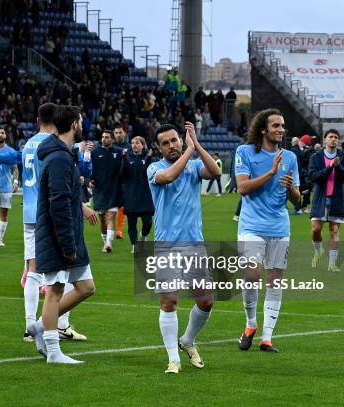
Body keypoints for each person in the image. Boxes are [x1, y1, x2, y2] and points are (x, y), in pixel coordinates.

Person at [0, 103, 89, 342]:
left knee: (33, 270)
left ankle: (31, 323)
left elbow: (17, 157)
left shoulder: (29, 143)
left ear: (38, 118)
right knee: (67, 269)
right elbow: (56, 185)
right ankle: (55, 325)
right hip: (49, 213)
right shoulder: (54, 145)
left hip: (29, 213)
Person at [147, 122, 220, 374]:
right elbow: (168, 177)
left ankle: (187, 341)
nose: (171, 145)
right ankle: (172, 358)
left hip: (194, 245)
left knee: (207, 300)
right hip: (167, 246)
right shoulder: (154, 168)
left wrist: (196, 145)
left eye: (174, 140)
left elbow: (215, 172)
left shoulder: (193, 166)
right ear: (158, 148)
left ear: (181, 139)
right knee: (169, 301)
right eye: (165, 143)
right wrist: (189, 151)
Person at [27, 105, 97, 364]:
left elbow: (66, 198)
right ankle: (53, 352)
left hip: (70, 235)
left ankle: (38, 326)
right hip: (58, 237)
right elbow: (58, 203)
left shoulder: (64, 154)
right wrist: (67, 243)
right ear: (75, 125)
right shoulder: (58, 158)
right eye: (81, 120)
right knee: (55, 290)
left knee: (86, 287)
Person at [235, 108, 300, 353]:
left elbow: (297, 201)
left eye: (282, 126)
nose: (281, 130)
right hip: (251, 226)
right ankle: (250, 324)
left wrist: (292, 188)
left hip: (279, 227)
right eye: (276, 126)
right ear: (263, 129)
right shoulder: (245, 152)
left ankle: (267, 337)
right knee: (252, 274)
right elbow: (242, 188)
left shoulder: (290, 157)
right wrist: (270, 172)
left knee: (275, 281)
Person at [308, 129, 344, 272]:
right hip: (320, 198)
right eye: (331, 137)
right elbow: (313, 176)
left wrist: (338, 166)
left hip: (337, 199)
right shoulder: (316, 157)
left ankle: (332, 263)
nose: (333, 139)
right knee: (316, 229)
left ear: (338, 141)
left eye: (336, 137)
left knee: (334, 231)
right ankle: (319, 250)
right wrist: (329, 168)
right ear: (325, 140)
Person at [91, 129, 123, 253]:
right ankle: (105, 241)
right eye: (103, 137)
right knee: (103, 219)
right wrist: (90, 180)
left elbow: (124, 169)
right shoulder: (95, 152)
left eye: (107, 137)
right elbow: (90, 169)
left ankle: (109, 243)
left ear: (112, 139)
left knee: (111, 216)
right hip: (99, 190)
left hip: (114, 189)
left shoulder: (119, 153)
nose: (104, 139)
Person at [122, 136, 154, 253]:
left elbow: (148, 174)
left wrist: (149, 158)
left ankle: (144, 236)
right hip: (131, 196)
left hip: (145, 195)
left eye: (137, 143)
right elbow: (123, 173)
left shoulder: (148, 157)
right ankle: (134, 245)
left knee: (148, 222)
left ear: (143, 145)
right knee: (132, 223)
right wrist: (124, 158)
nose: (134, 145)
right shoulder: (127, 156)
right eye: (132, 143)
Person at [0, 126, 19, 247]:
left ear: (5, 135)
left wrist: (16, 182)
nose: (0, 135)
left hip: (6, 186)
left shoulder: (11, 151)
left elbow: (15, 168)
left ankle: (0, 238)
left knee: (4, 213)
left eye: (2, 133)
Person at [113, 124, 130, 239]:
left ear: (124, 133)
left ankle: (119, 230)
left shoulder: (130, 146)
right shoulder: (111, 146)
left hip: (126, 180)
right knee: (111, 206)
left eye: (120, 132)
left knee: (122, 205)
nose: (118, 135)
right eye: (116, 133)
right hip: (112, 179)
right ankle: (109, 230)